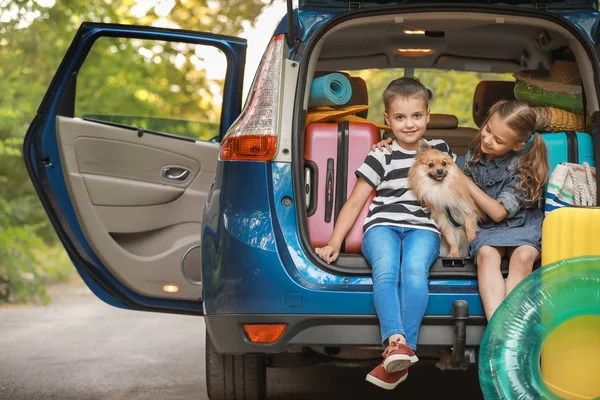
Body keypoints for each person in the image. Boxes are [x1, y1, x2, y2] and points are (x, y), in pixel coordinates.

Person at [314, 77, 454, 390]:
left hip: (423, 228)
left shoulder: (441, 151)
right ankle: (397, 342)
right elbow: (355, 202)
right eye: (400, 118)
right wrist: (334, 242)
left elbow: (455, 190)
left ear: (428, 117)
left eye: (417, 116)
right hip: (382, 226)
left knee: (415, 270)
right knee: (387, 270)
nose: (409, 124)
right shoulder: (381, 154)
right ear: (387, 120)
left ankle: (401, 353)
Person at [462, 100, 548, 321]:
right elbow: (441, 161)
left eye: (498, 140)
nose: (488, 140)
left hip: (523, 225)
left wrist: (466, 183)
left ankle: (513, 327)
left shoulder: (525, 166)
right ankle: (498, 329)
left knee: (524, 255)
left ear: (517, 145)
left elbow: (499, 212)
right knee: (486, 254)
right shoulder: (473, 156)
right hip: (489, 229)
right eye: (487, 130)